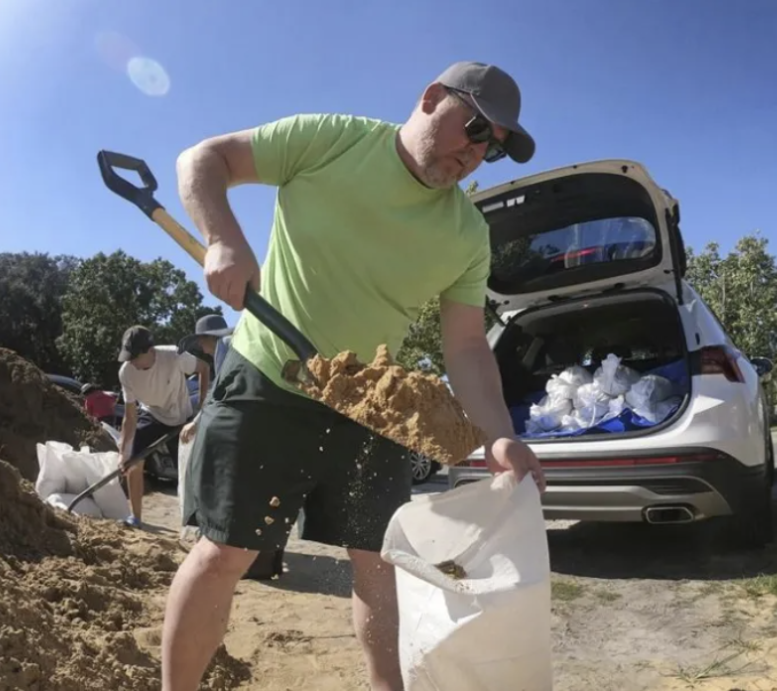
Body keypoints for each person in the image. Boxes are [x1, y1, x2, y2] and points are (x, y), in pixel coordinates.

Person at [163, 60, 546, 691]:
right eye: (474, 126)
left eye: (492, 147)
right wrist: (223, 238)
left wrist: (498, 432)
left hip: (373, 405)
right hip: (268, 380)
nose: (475, 152)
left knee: (378, 566)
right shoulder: (332, 139)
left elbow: (468, 346)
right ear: (431, 97)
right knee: (226, 553)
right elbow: (201, 159)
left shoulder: (467, 233)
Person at [116, 325, 209, 528]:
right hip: (151, 414)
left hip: (180, 416)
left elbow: (204, 368)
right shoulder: (126, 373)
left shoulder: (173, 356)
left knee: (191, 470)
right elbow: (130, 417)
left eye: (135, 357)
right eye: (128, 357)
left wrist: (201, 407)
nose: (131, 362)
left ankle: (200, 522)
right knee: (134, 461)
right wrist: (124, 452)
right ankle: (136, 518)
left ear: (150, 351)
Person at [176, 313, 234, 445]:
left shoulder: (225, 345)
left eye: (201, 338)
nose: (199, 343)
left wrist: (196, 422)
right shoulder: (223, 350)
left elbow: (220, 392)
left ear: (210, 337)